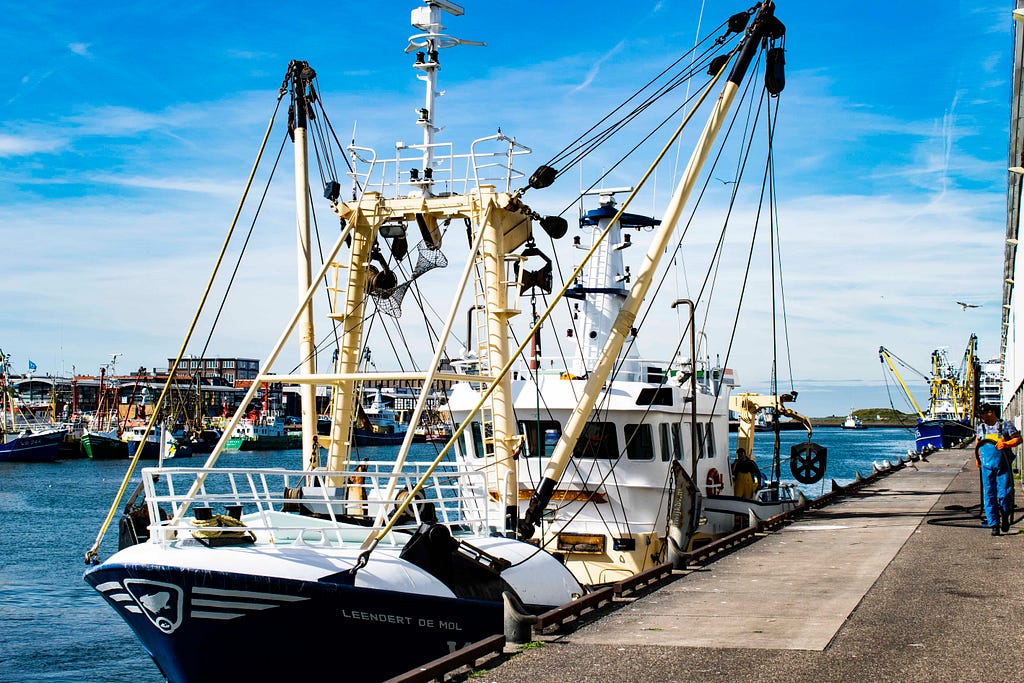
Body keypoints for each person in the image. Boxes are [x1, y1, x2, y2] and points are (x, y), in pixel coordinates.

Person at [974, 403, 1020, 536]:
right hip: (986, 466)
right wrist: (977, 458)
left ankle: (1005, 516)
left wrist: (1006, 443)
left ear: (991, 412)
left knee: (1005, 493)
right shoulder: (981, 427)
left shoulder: (1005, 425)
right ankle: (994, 524)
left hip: (1002, 465)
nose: (982, 418)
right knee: (989, 495)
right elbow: (978, 441)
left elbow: (1018, 438)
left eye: (983, 414)